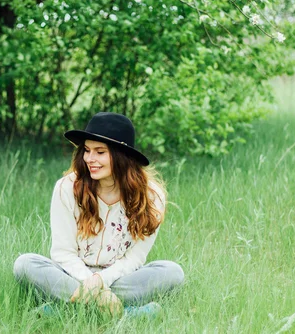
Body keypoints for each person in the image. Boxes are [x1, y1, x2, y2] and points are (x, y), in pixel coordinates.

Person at [13, 112, 184, 316]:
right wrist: (91, 284)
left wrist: (101, 282)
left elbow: (135, 259)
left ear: (122, 156)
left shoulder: (151, 196)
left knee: (173, 272)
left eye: (100, 152)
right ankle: (125, 312)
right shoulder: (67, 188)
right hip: (73, 275)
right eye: (86, 150)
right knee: (24, 264)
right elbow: (63, 253)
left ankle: (66, 310)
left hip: (120, 279)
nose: (89, 159)